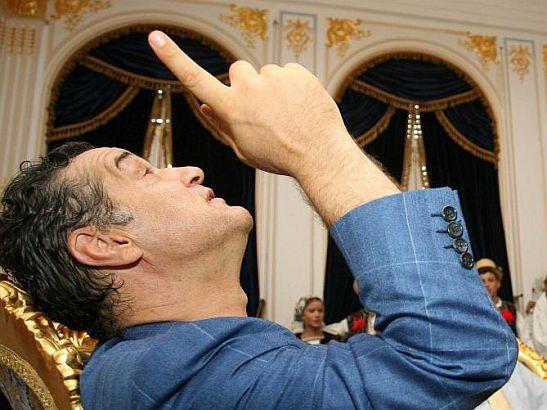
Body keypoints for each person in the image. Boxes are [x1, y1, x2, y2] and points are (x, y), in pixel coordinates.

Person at [0, 30, 517, 409]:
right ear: (104, 244)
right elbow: (454, 356)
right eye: (143, 172)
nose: (189, 170)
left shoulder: (168, 359)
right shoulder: (184, 379)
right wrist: (314, 146)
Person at [477, 258, 517, 335]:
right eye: (482, 281)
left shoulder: (510, 308)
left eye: (490, 280)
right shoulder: (474, 309)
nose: (486, 285)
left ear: (498, 283)